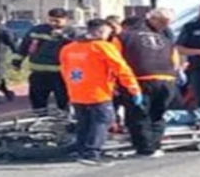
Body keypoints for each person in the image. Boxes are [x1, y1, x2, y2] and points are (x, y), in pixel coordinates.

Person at [60, 19, 142, 166]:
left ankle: (81, 151)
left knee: (84, 123)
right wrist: (133, 88)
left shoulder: (68, 48)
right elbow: (121, 68)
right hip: (98, 92)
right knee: (102, 121)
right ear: (100, 31)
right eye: (107, 33)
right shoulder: (103, 47)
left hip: (76, 92)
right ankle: (92, 153)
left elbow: (64, 71)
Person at [119, 8, 180, 158]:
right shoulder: (166, 38)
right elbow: (175, 61)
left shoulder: (124, 36)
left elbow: (116, 59)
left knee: (139, 115)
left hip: (141, 79)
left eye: (167, 23)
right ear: (151, 19)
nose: (165, 26)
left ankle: (146, 149)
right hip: (165, 79)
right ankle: (154, 146)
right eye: (163, 22)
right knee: (157, 114)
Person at [12, 8, 77, 112]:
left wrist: (64, 37)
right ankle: (40, 118)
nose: (53, 23)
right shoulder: (37, 30)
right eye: (51, 20)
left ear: (66, 19)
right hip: (38, 72)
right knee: (38, 100)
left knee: (63, 99)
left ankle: (65, 119)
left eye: (57, 21)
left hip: (60, 74)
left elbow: (78, 46)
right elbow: (24, 45)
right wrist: (17, 61)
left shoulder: (72, 32)